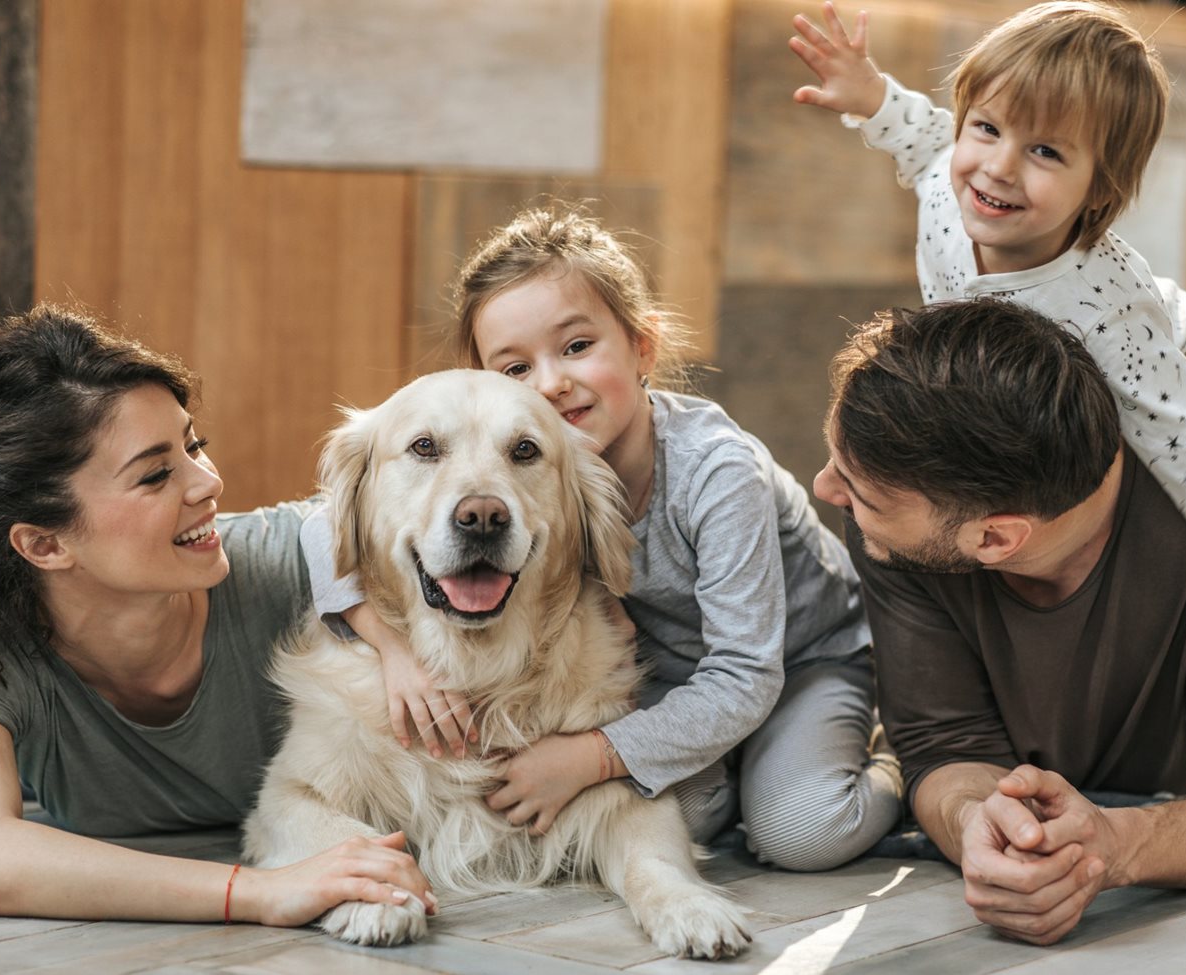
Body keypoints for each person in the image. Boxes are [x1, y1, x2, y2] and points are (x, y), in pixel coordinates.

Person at [304, 204, 904, 870]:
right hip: (666, 677)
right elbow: (317, 517)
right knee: (692, 813)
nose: (552, 383)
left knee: (801, 830)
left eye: (576, 346)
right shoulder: (522, 472)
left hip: (793, 665)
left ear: (643, 346)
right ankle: (741, 764)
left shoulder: (719, 472)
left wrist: (591, 756)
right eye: (514, 370)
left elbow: (744, 675)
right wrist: (393, 649)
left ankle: (894, 764)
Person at [790, 1, 1186, 672]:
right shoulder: (954, 190)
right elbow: (927, 141)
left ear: (1100, 188)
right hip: (1126, 358)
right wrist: (869, 96)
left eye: (1043, 150)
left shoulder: (1102, 319)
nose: (997, 167)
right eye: (985, 127)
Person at [813, 298, 1186, 945]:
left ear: (996, 539)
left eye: (858, 493)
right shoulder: (893, 509)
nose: (824, 487)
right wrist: (978, 820)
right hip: (1042, 753)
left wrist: (1116, 844)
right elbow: (945, 747)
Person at [0, 306, 433, 925]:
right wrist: (259, 893)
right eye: (155, 475)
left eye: (194, 445)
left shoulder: (302, 567)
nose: (208, 484)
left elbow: (389, 515)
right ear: (45, 545)